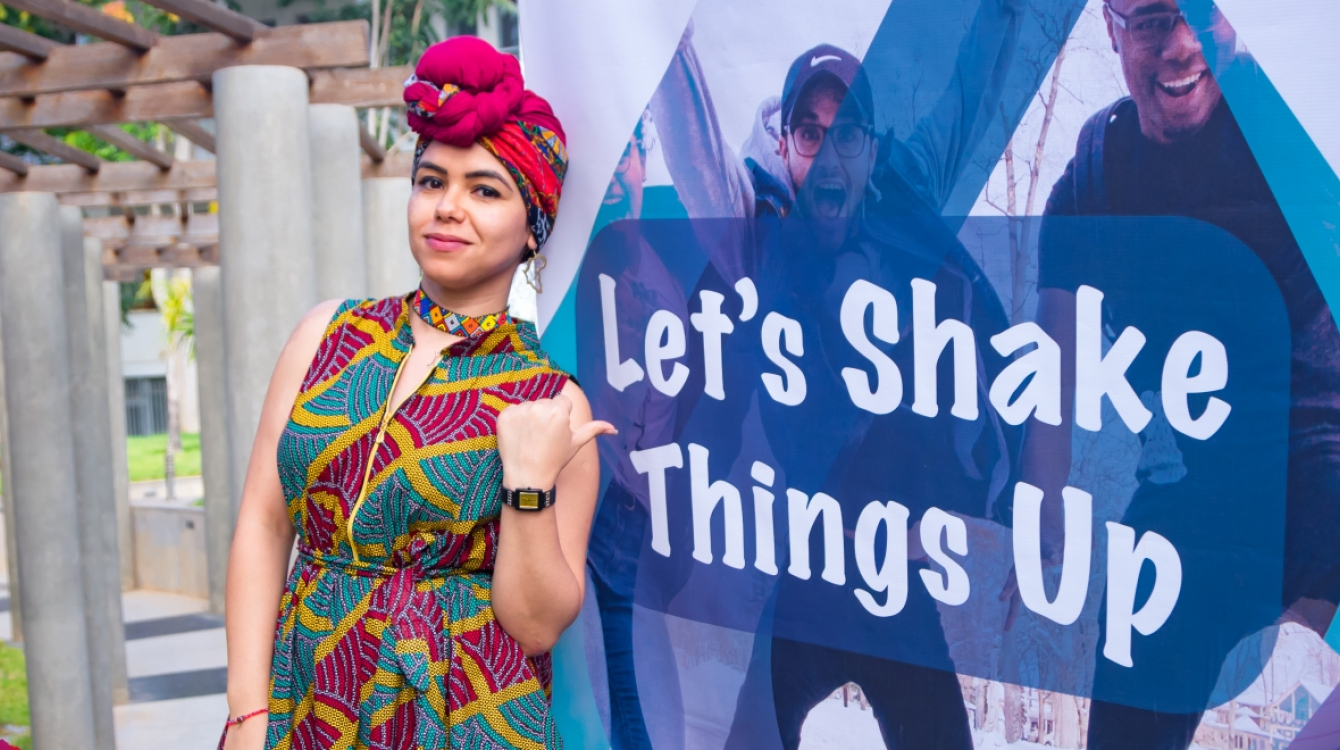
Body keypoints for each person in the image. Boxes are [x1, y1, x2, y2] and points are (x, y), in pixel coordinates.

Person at [582, 3, 1024, 746]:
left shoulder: (908, 213)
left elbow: (970, 100)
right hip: (805, 572)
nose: (828, 153)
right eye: (810, 133)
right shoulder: (758, 230)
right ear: (786, 145)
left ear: (871, 149)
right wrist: (662, 32)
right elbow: (697, 159)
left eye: (846, 132)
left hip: (895, 577)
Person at [219, 36, 614, 750]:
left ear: (532, 230)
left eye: (484, 190)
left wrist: (527, 483)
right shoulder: (326, 335)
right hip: (310, 699)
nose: (447, 207)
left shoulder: (551, 400)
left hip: (465, 718)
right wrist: (247, 713)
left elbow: (535, 626)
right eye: (431, 181)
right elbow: (263, 524)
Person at [1030, 1, 1340, 747]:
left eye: (1200, 13)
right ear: (1111, 26)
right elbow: (1049, 394)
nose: (1178, 46)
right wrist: (1038, 522)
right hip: (1191, 500)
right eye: (1151, 20)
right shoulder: (1094, 179)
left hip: (1323, 468)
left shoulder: (1299, 131)